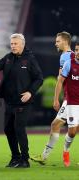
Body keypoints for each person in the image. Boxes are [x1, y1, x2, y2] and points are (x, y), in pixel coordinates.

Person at [0, 33, 43, 168]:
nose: (13, 46)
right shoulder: (8, 58)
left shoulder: (30, 59)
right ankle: (15, 158)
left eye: (15, 44)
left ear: (22, 44)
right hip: (9, 101)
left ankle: (25, 159)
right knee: (8, 129)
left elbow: (39, 78)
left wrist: (30, 92)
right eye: (11, 44)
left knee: (18, 128)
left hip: (23, 102)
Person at [31, 31, 75, 165]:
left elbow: (62, 79)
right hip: (70, 98)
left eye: (58, 41)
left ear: (65, 41)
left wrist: (56, 99)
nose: (55, 43)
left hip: (73, 99)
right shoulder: (66, 56)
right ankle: (44, 156)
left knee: (67, 128)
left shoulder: (69, 57)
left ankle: (46, 156)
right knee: (57, 125)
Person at [53, 42, 79, 167]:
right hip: (72, 102)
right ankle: (66, 151)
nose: (77, 52)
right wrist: (56, 99)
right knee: (73, 131)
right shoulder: (69, 63)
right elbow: (59, 82)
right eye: (76, 50)